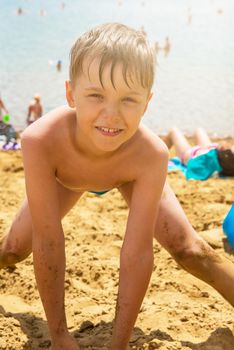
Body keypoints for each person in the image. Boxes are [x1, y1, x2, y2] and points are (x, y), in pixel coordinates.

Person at [0, 23, 234, 350]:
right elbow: (48, 239)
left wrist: (119, 344)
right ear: (71, 94)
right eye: (96, 95)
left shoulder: (151, 153)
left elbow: (136, 253)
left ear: (147, 102)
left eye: (128, 99)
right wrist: (59, 335)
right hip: (66, 176)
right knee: (13, 249)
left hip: (127, 170)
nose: (111, 115)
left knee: (191, 250)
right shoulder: (40, 140)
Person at [164, 127, 234, 180]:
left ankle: (156, 156)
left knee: (173, 131)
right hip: (210, 151)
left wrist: (223, 149)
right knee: (199, 130)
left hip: (196, 157)